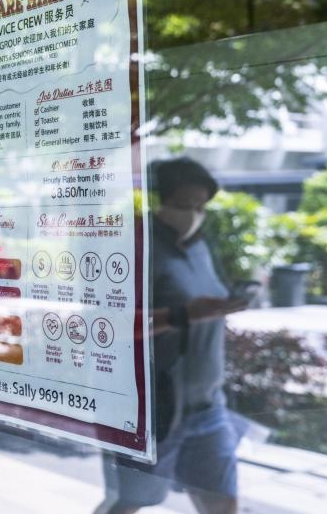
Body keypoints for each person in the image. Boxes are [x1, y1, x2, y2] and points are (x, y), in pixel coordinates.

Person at [96, 157, 249, 514]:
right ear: (159, 200)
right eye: (184, 205)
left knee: (223, 503)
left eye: (200, 206)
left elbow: (205, 302)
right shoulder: (135, 244)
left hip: (208, 406)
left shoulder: (199, 247)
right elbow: (107, 326)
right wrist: (181, 315)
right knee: (131, 501)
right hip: (154, 411)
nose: (193, 215)